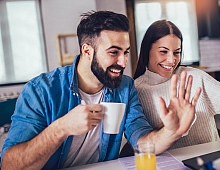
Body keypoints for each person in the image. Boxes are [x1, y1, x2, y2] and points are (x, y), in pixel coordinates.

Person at [0, 11, 201, 169]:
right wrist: (62, 128)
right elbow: (9, 165)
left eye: (126, 52)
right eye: (114, 52)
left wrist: (172, 131)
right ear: (87, 50)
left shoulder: (125, 88)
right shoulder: (40, 91)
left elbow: (142, 142)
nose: (123, 62)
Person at [133, 20, 220, 150]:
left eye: (176, 52)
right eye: (163, 51)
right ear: (146, 50)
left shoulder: (195, 77)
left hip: (208, 162)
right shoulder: (135, 91)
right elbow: (141, 140)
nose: (171, 60)